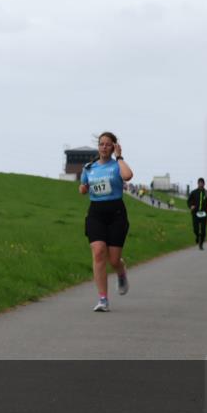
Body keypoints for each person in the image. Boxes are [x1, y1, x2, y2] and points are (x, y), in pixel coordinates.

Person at [80, 132, 134, 312]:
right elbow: (83, 188)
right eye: (101, 144)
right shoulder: (89, 168)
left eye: (107, 144)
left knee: (113, 259)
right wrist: (83, 188)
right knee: (98, 252)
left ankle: (121, 271)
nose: (104, 147)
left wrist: (119, 157)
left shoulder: (117, 165)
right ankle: (103, 299)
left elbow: (128, 176)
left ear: (113, 147)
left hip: (116, 213)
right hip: (96, 213)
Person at [187, 178, 207, 250]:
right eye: (199, 183)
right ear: (197, 183)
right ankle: (197, 236)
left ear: (204, 184)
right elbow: (189, 201)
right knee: (195, 229)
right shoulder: (193, 192)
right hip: (195, 213)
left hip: (204, 213)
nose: (200, 184)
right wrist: (191, 206)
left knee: (203, 229)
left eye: (202, 183)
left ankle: (201, 244)